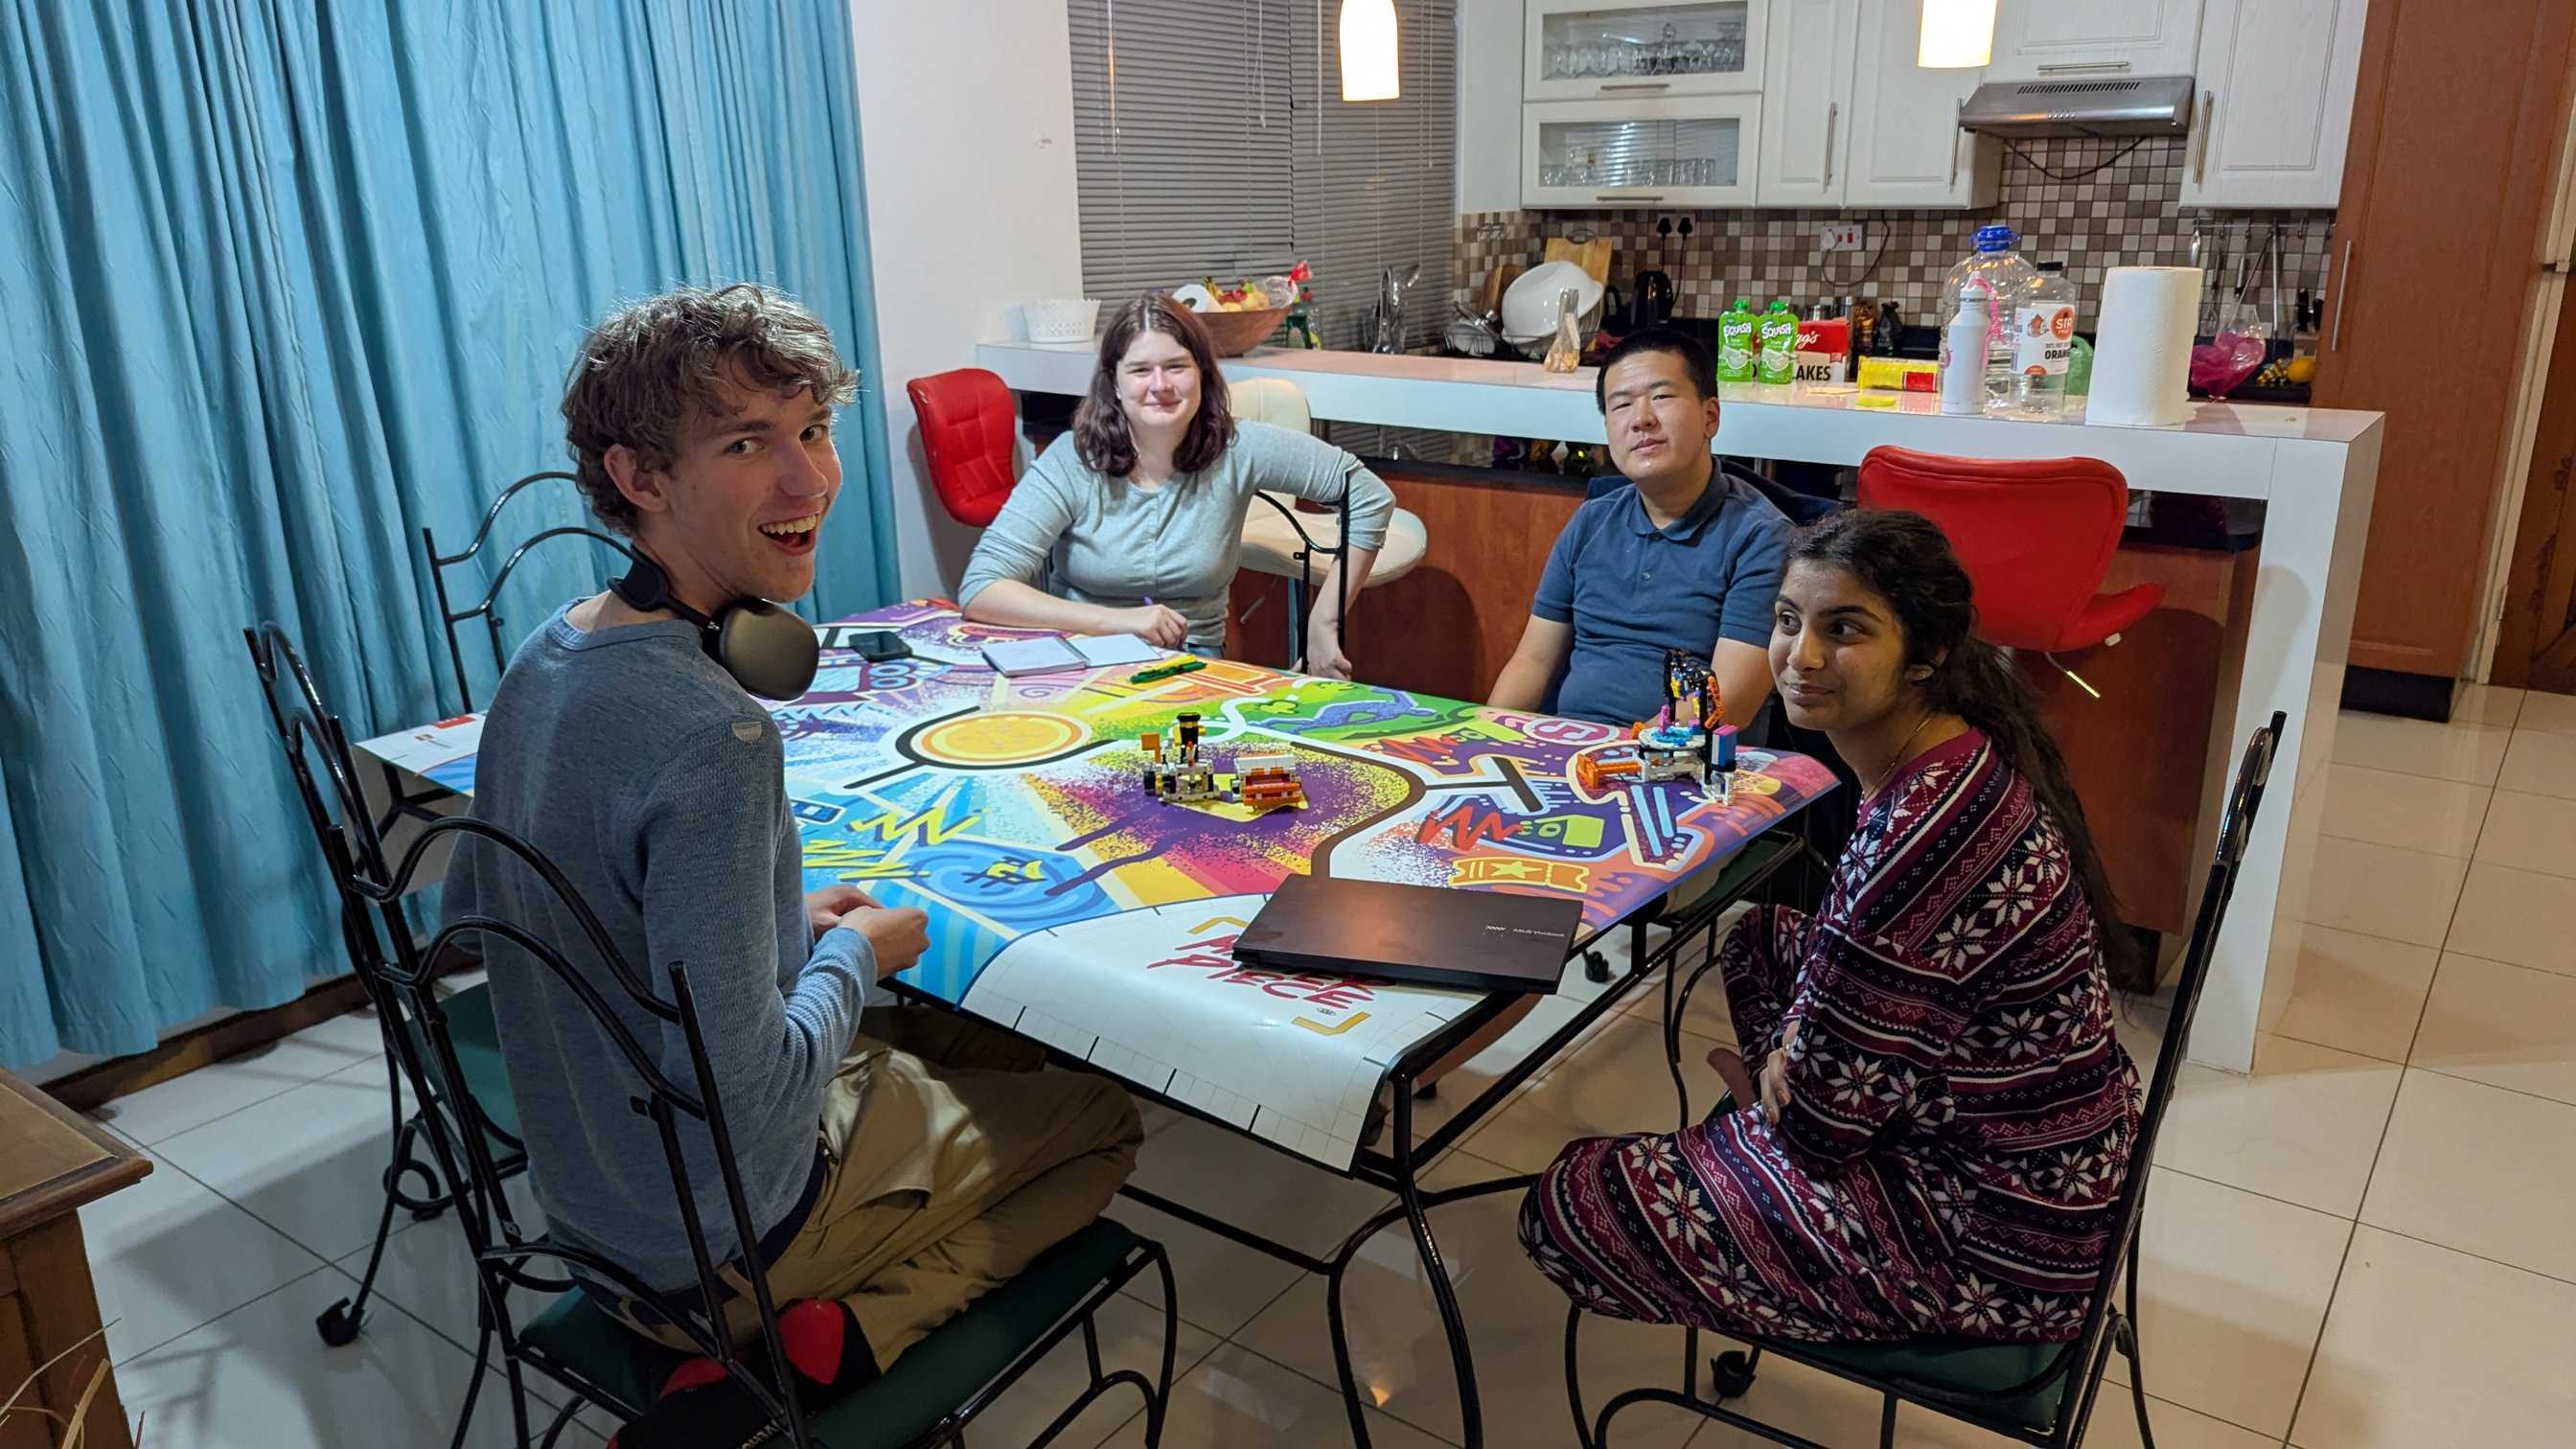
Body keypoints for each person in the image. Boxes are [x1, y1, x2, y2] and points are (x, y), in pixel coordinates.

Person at [442, 284, 1141, 1447]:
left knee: (989, 1042)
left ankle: (807, 1330)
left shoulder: (547, 656)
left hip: (587, 1213)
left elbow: (507, 926)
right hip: (715, 1248)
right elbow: (750, 1100)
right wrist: (854, 956)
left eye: (813, 431)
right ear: (639, 477)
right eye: (747, 443)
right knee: (1103, 1120)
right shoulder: (714, 733)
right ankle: (838, 1345)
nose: (810, 480)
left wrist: (775, 921)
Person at [1518, 508, 2144, 1346]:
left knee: (1571, 1197)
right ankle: (1769, 1123)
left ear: (1928, 654)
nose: (1801, 656)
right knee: (1759, 937)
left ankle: (1780, 1178)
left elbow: (1822, 1128)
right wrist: (1793, 1061)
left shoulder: (1923, 838)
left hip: (2000, 1243)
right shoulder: (1958, 755)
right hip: (2043, 1164)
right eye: (1787, 621)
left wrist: (1787, 1089)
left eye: (1844, 629)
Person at [959, 292, 1397, 679]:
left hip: (1196, 673)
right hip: (1082, 669)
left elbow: (1368, 496)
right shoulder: (1072, 459)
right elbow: (982, 588)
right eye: (1140, 370)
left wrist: (1323, 625)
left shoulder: (1240, 447)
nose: (1160, 385)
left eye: (1176, 367)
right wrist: (1118, 622)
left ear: (1203, 374)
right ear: (1114, 381)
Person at [1487, 325, 1789, 729]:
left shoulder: (1761, 537)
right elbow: (1532, 661)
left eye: (1661, 397)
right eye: (1621, 405)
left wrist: (1620, 757)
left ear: (1710, 417)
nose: (1641, 419)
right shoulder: (1592, 521)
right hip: (1570, 751)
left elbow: (1726, 700)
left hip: (1683, 765)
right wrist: (1487, 735)